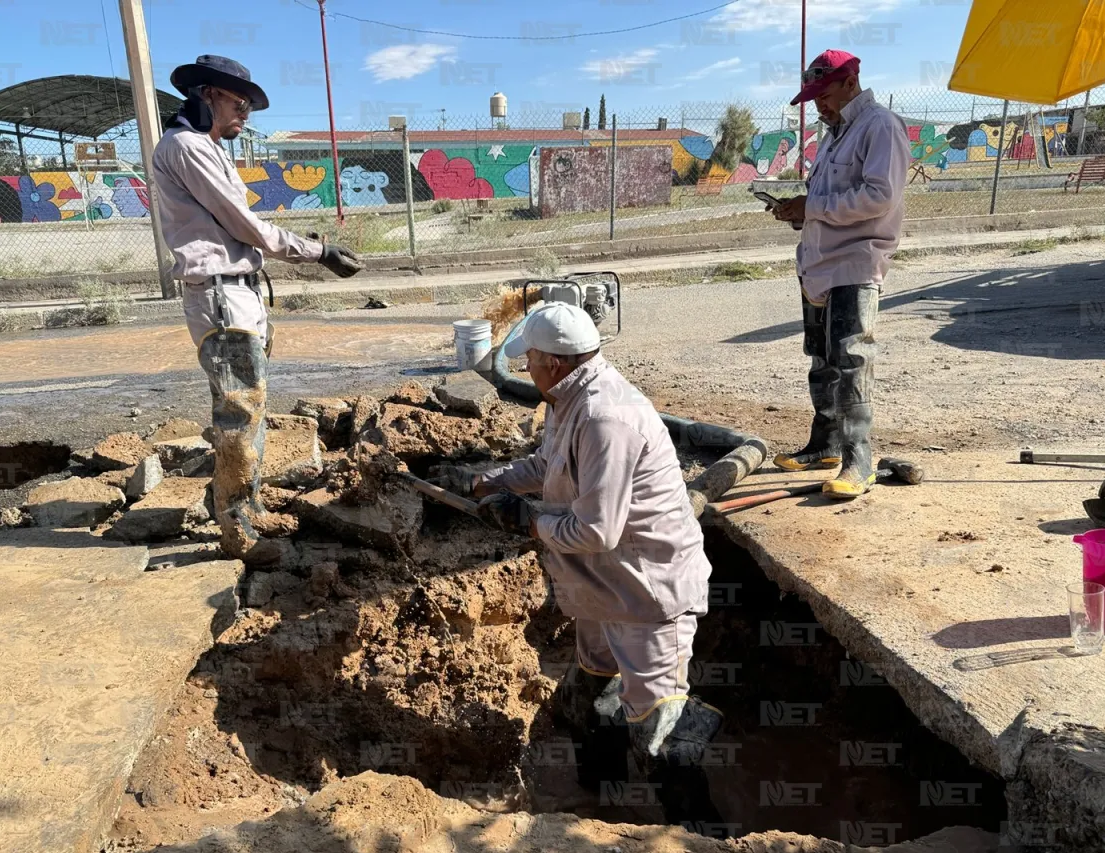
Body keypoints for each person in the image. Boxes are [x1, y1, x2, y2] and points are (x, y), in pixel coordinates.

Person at [431, 303, 723, 828]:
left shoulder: (605, 417)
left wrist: (528, 522)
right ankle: (597, 798)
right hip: (602, 584)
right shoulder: (567, 398)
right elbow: (548, 466)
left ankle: (702, 831)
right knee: (593, 686)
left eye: (530, 363)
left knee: (663, 732)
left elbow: (595, 531)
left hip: (645, 592)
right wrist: (483, 481)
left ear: (555, 362)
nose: (526, 371)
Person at [152, 55, 363, 563]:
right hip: (222, 298)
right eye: (239, 104)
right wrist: (317, 252)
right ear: (208, 95)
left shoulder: (203, 147)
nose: (245, 114)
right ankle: (238, 529)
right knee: (239, 413)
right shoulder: (186, 147)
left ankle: (242, 504)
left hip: (236, 293)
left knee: (246, 408)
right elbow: (243, 224)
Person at [769, 50, 910, 498]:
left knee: (851, 361)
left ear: (850, 82)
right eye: (812, 100)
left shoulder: (880, 126)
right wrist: (799, 212)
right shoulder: (833, 135)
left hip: (855, 261)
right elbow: (829, 200)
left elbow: (878, 197)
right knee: (822, 360)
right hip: (817, 262)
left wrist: (811, 207)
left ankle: (858, 460)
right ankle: (825, 445)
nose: (818, 107)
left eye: (822, 95)